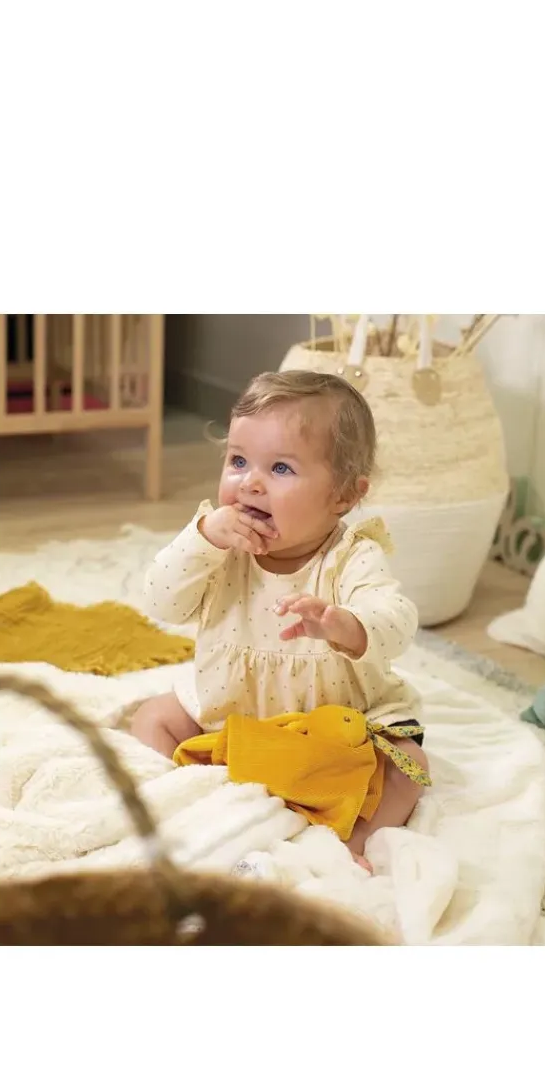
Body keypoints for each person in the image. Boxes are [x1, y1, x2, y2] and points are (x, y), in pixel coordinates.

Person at [132, 369, 429, 863]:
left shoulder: (352, 557)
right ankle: (195, 804)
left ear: (344, 496)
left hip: (334, 735)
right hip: (233, 720)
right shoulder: (217, 546)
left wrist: (345, 624)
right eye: (238, 460)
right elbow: (162, 602)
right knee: (153, 718)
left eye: (281, 469)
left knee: (408, 766)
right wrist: (201, 539)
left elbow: (397, 620)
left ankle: (349, 845)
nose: (249, 482)